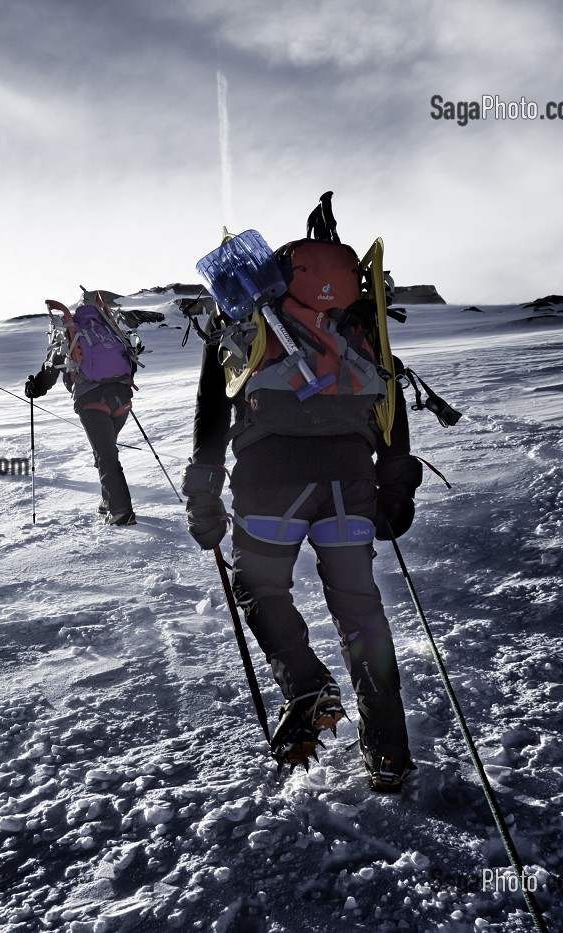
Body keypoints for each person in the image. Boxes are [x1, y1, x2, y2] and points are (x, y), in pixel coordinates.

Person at [183, 229, 423, 792]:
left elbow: (211, 414)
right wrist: (396, 486)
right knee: (361, 611)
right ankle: (387, 752)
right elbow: (389, 404)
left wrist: (203, 494)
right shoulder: (360, 320)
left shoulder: (241, 316)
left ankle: (306, 684)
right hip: (350, 483)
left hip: (270, 484)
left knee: (261, 589)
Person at [24, 297, 138, 525]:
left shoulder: (69, 332)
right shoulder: (108, 329)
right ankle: (109, 502)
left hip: (92, 401)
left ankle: (122, 511)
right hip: (123, 399)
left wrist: (32, 389)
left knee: (106, 455)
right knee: (106, 452)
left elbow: (49, 374)